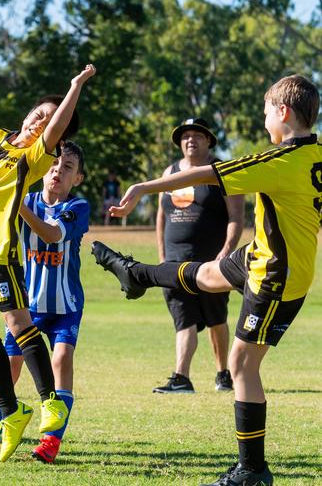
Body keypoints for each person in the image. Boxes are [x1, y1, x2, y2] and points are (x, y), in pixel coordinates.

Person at [92, 75, 320, 486]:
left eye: (266, 110)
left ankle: (252, 471)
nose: (263, 117)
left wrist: (143, 187)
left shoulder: (279, 161)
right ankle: (136, 274)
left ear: (283, 113)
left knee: (241, 364)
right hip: (262, 257)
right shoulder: (316, 155)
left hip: (277, 277)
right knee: (205, 274)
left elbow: (203, 175)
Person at [0, 64, 96, 462]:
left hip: (14, 268)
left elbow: (53, 234)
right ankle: (2, 422)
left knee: (38, 342)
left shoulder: (36, 158)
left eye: (50, 121)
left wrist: (74, 87)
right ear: (26, 114)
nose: (42, 122)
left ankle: (50, 413)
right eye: (39, 113)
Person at [153, 118, 244, 394]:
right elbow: (161, 216)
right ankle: (182, 377)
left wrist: (225, 252)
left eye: (197, 135)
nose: (190, 140)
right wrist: (162, 258)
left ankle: (223, 373)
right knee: (184, 318)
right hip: (175, 262)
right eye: (185, 136)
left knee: (216, 318)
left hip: (211, 262)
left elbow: (236, 217)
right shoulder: (170, 171)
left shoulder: (223, 172)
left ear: (209, 141)